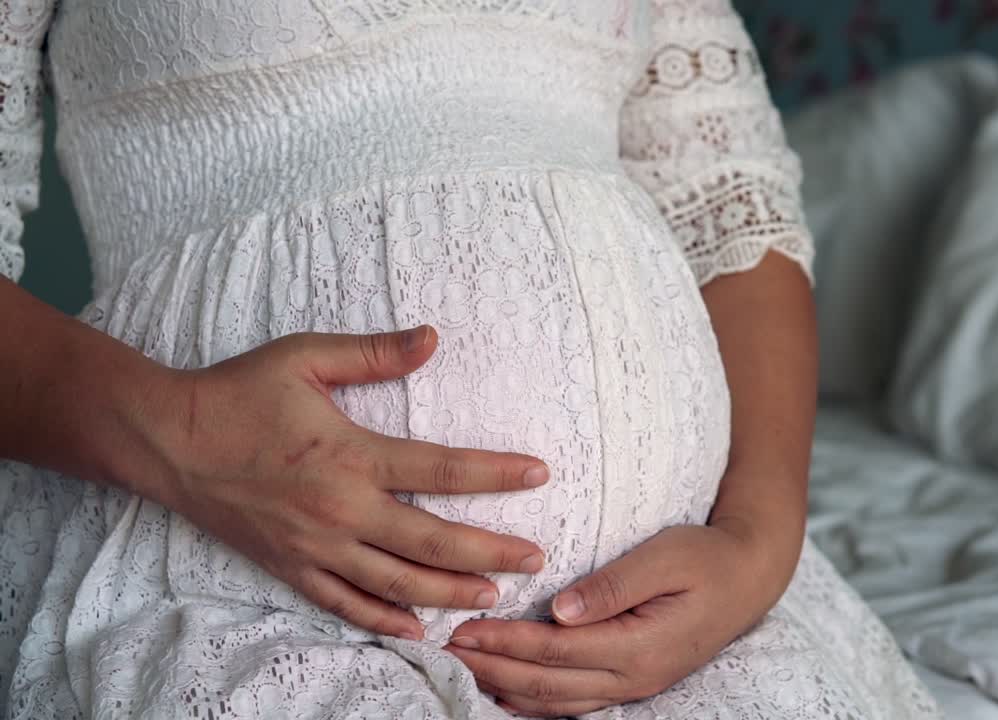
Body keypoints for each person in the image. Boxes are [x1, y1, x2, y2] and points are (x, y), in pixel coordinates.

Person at [0, 1, 939, 717]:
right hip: (217, 591)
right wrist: (185, 437)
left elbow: (733, 211)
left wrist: (759, 539)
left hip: (692, 635)